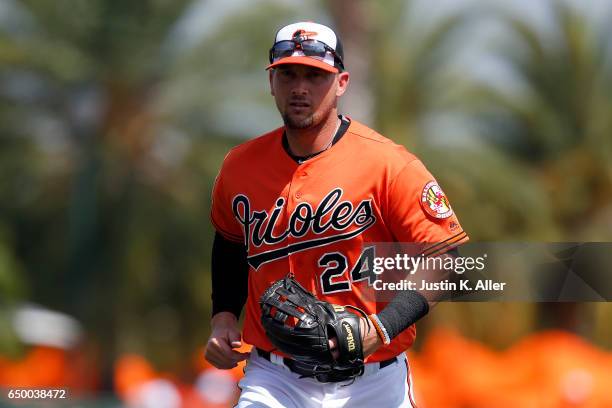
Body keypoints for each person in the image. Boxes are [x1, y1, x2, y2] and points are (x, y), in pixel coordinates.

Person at [205, 21, 469, 407]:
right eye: (287, 74)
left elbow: (445, 260)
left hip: (374, 382)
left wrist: (380, 328)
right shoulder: (240, 166)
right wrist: (223, 315)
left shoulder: (388, 164)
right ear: (271, 82)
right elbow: (229, 241)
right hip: (276, 378)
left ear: (341, 82)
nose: (299, 88)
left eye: (315, 76)